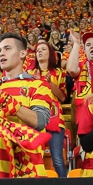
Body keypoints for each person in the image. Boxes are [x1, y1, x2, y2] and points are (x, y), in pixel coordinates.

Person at [0, 33, 54, 178]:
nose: (1, 53)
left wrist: (3, 98)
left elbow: (40, 121)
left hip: (26, 169)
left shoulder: (38, 85)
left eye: (7, 49)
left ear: (23, 53)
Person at [34, 38, 68, 177]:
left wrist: (50, 83)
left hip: (55, 118)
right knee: (35, 160)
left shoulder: (58, 72)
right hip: (35, 118)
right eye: (37, 50)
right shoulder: (30, 73)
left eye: (43, 49)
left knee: (58, 160)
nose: (40, 52)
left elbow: (63, 97)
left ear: (50, 53)